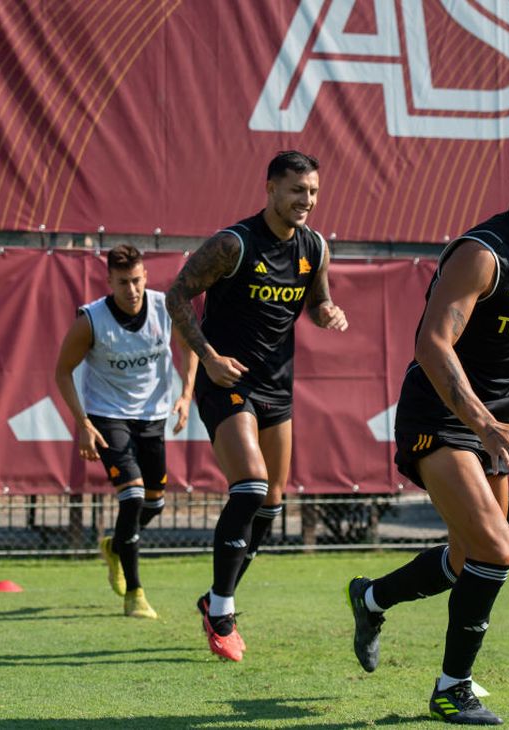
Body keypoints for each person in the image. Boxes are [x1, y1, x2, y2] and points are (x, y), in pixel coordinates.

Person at [346, 122, 509, 725]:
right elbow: (433, 344)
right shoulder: (482, 254)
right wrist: (482, 421)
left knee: (466, 559)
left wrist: (497, 421)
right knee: (498, 548)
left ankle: (371, 597)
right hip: (442, 416)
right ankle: (452, 686)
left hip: (493, 425)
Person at [166, 151, 348, 662]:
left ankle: (214, 598)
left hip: (277, 389)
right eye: (296, 191)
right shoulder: (234, 244)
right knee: (250, 486)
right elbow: (176, 297)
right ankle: (221, 611)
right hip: (228, 382)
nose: (305, 201)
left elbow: (315, 302)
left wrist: (327, 310)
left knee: (271, 506)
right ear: (269, 189)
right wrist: (208, 357)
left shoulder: (316, 247)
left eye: (312, 192)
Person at [55, 244, 198, 618]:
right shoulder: (91, 320)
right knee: (132, 496)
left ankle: (116, 545)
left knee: (155, 502)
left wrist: (186, 395)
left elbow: (190, 346)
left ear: (146, 277)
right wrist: (83, 423)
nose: (131, 290)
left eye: (136, 281)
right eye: (123, 283)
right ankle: (135, 594)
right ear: (109, 281)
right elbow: (61, 371)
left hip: (152, 416)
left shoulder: (164, 308)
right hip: (107, 415)